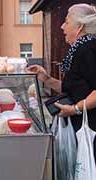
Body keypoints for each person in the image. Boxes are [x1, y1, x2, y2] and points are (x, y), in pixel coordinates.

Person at [27, 3, 96, 155]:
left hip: (91, 131)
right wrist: (46, 78)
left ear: (79, 26)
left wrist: (74, 109)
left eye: (66, 22)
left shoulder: (89, 49)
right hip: (81, 128)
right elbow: (73, 87)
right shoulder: (79, 48)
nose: (62, 27)